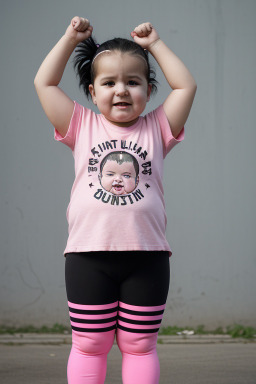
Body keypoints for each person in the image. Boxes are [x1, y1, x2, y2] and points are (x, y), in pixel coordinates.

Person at [34, 16, 196, 384]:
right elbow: (44, 82)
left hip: (147, 257)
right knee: (90, 342)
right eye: (109, 83)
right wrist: (69, 39)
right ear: (92, 92)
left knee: (140, 343)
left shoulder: (158, 127)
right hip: (88, 256)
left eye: (133, 82)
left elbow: (186, 85)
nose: (121, 90)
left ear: (149, 90)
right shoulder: (81, 125)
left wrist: (155, 43)